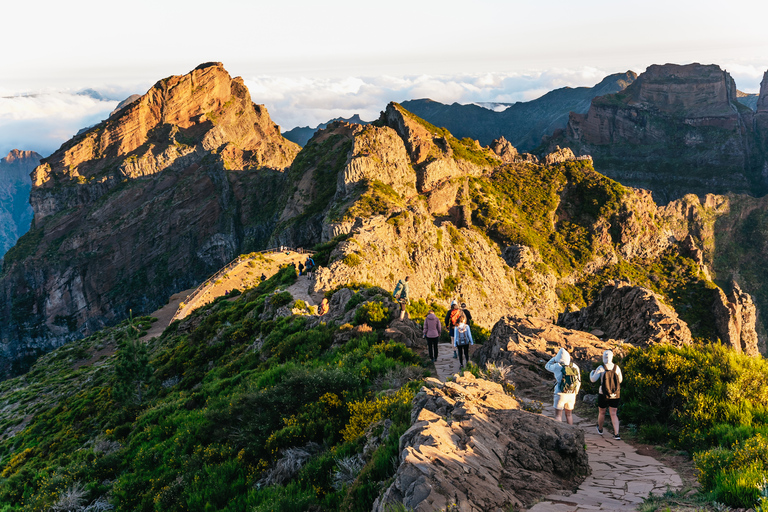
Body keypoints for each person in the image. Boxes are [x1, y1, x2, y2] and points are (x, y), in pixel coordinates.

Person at [590, 350, 623, 440]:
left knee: (602, 412)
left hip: (603, 393)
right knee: (613, 413)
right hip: (615, 394)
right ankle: (616, 434)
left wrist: (591, 373)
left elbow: (593, 379)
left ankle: (600, 429)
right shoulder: (617, 368)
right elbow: (620, 380)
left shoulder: (601, 367)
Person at [545, 348, 581, 424]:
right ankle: (571, 432)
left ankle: (560, 433)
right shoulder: (575, 366)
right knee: (569, 415)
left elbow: (547, 366)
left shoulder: (557, 366)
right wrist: (575, 392)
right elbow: (578, 381)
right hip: (571, 393)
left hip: (560, 393)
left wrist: (554, 358)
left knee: (558, 415)